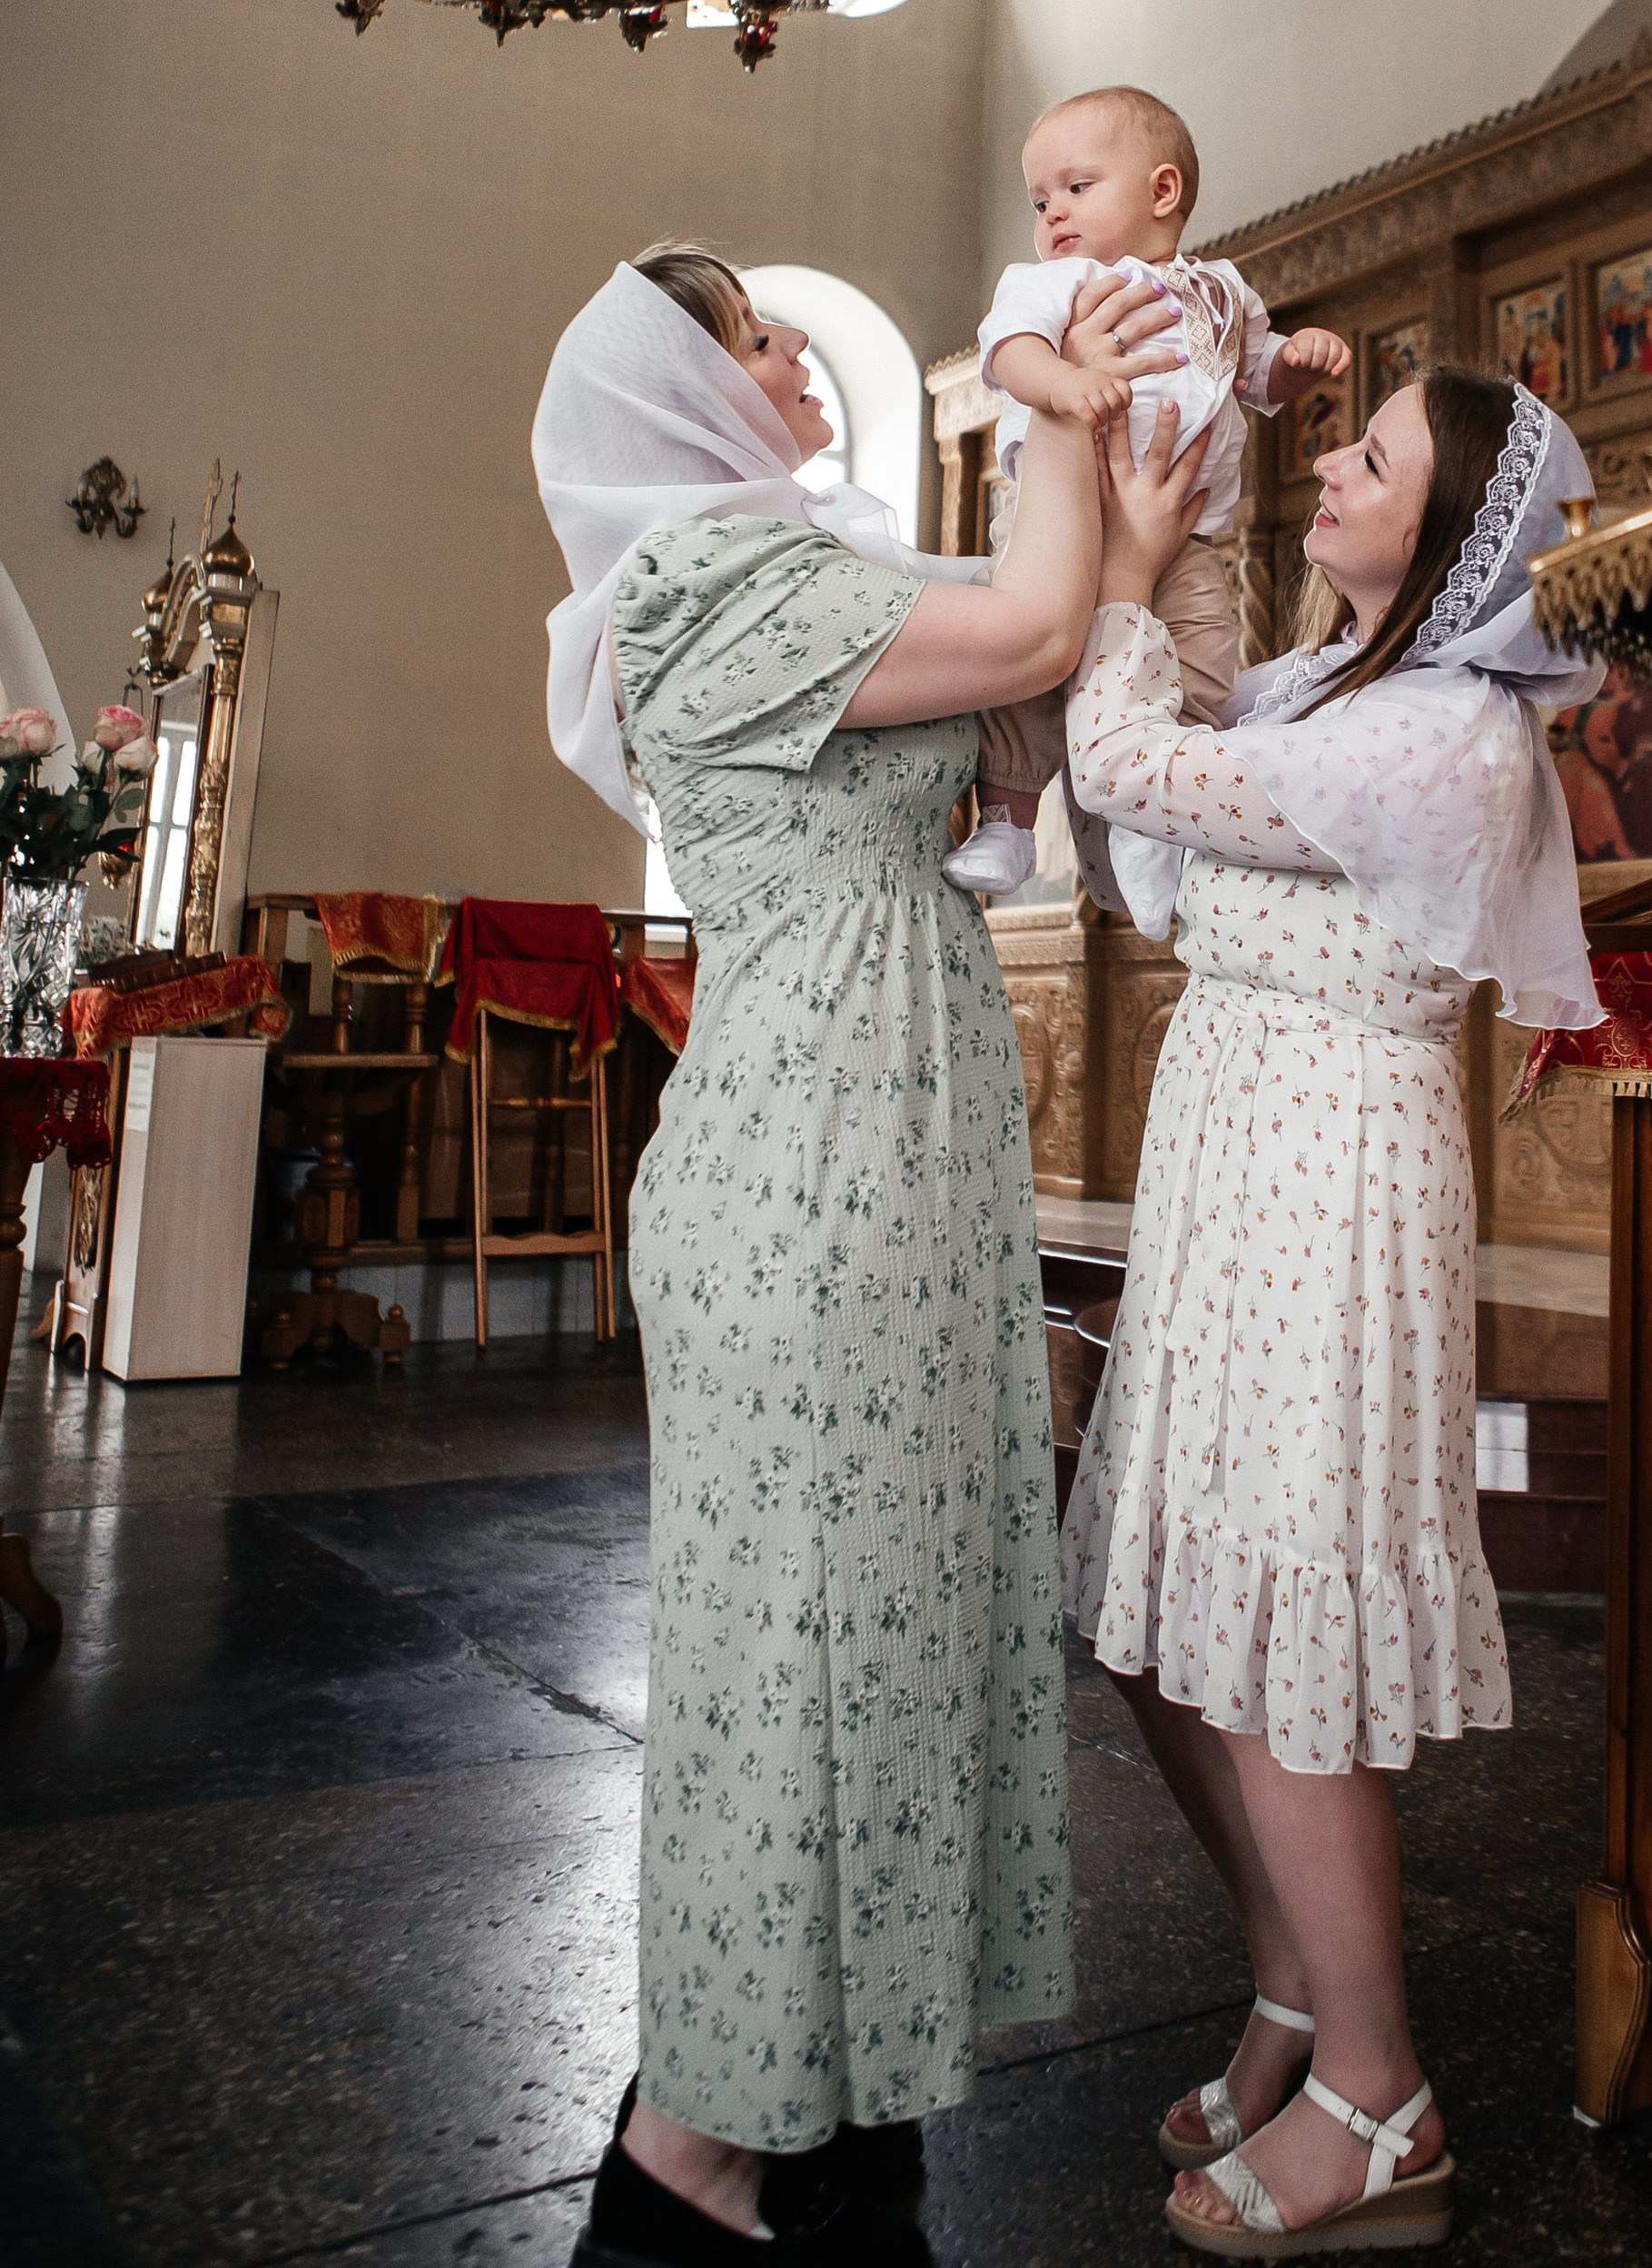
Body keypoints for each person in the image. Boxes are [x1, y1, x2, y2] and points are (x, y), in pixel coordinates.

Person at [531, 240, 1177, 2268]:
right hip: (811, 1132)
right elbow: (1032, 620)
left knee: (883, 1606)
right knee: (790, 1633)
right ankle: (693, 2156)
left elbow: (1033, 712)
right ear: (677, 395)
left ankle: (829, 2095)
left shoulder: (814, 570)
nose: (793, 361)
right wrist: (1057, 404)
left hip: (894, 1111)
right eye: (754, 341)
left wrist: (1127, 533)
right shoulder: (704, 588)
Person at [1058, 366, 1603, 2256]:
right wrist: (1174, 546)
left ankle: (1381, 2094)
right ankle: (1292, 1989)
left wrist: (1120, 570)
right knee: (1158, 1619)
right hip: (1227, 1149)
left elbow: (1130, 761)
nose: (1330, 466)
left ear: (1450, 538)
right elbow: (1156, 821)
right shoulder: (1325, 695)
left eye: (1368, 459)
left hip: (1329, 1175)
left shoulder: (1445, 736)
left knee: (1278, 1623)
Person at [947, 84, 1350, 901]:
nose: (1052, 212)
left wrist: (1294, 363)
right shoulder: (1055, 282)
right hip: (1058, 521)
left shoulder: (1225, 291)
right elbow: (1010, 354)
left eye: (1075, 187)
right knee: (1026, 663)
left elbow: (1254, 367)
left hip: (1186, 538)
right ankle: (1008, 822)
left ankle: (1157, 812)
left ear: (1162, 191)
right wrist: (1061, 383)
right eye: (1039, 199)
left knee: (1200, 659)